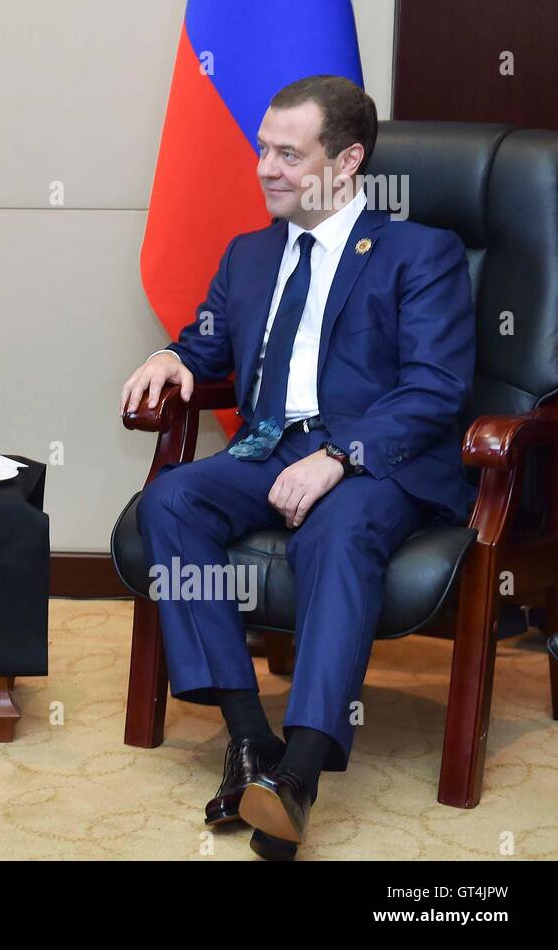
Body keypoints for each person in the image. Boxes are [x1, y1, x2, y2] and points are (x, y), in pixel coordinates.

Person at [120, 74, 474, 861]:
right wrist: (171, 353)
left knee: (336, 533)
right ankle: (249, 740)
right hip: (269, 448)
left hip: (379, 460)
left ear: (346, 161)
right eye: (263, 149)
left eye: (289, 152)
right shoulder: (250, 254)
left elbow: (435, 388)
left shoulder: (422, 252)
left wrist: (338, 456)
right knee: (170, 501)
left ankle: (301, 773)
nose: (265, 167)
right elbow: (207, 344)